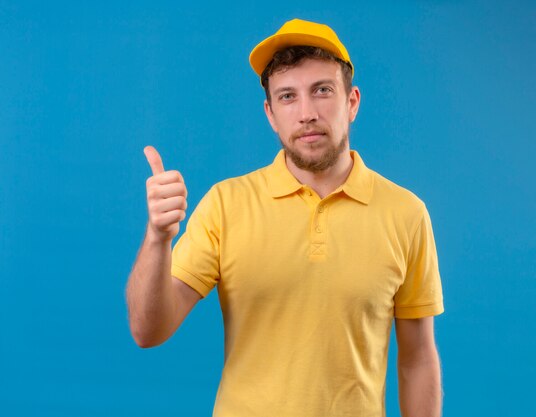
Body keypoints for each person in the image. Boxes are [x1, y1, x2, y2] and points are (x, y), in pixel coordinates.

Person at [126, 18, 444, 417]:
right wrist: (158, 238)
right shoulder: (226, 204)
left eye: (322, 91)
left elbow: (417, 359)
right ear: (271, 114)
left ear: (352, 102)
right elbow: (148, 330)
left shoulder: (406, 213)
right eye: (288, 97)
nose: (306, 113)